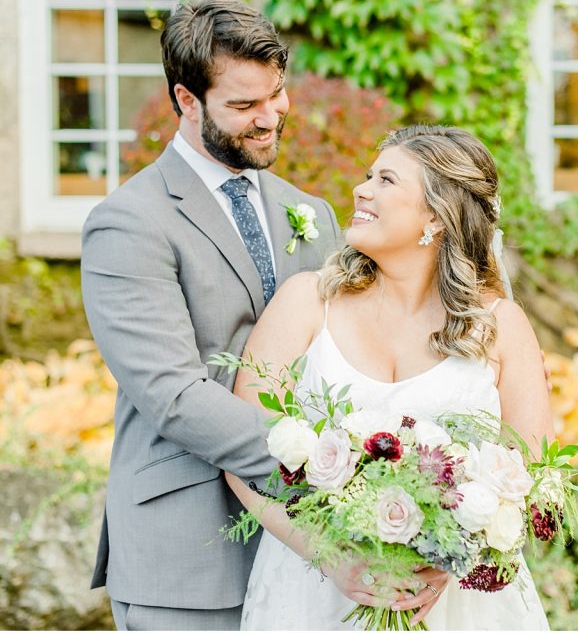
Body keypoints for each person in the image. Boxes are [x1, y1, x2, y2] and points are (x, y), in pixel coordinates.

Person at [80, 0, 397, 630]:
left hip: (313, 555)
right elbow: (171, 393)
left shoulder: (311, 212)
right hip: (188, 552)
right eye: (244, 105)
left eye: (276, 94)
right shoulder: (128, 223)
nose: (270, 116)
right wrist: (321, 472)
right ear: (187, 101)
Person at [226, 125, 554, 630]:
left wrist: (456, 553)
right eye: (367, 176)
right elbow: (241, 459)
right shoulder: (307, 302)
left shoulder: (500, 326)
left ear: (436, 216)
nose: (362, 189)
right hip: (312, 595)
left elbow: (531, 479)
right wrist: (331, 557)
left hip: (457, 604)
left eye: (386, 180)